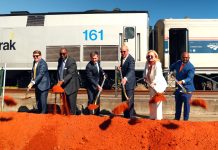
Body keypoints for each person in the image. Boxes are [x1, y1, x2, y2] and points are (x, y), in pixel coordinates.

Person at [170, 52, 195, 121]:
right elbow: (171, 67)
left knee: (186, 106)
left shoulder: (191, 67)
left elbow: (190, 77)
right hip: (178, 89)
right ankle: (176, 119)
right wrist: (172, 72)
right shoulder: (178, 63)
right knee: (178, 104)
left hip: (187, 89)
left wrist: (182, 81)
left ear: (189, 58)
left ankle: (185, 120)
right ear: (181, 57)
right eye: (183, 57)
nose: (185, 59)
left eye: (186, 57)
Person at [143, 50, 167, 120]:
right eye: (148, 56)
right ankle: (152, 116)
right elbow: (144, 72)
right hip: (151, 85)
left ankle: (158, 118)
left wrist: (154, 82)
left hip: (158, 85)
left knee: (157, 101)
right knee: (151, 101)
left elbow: (158, 75)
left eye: (151, 56)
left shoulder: (158, 64)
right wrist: (144, 76)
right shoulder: (147, 63)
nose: (150, 57)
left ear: (155, 56)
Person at [57, 48, 80, 115]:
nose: (62, 55)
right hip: (64, 85)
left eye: (63, 54)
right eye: (60, 54)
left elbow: (70, 74)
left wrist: (62, 81)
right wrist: (59, 80)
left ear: (67, 53)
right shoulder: (60, 60)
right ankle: (67, 118)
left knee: (71, 104)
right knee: (65, 103)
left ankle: (72, 117)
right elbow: (59, 71)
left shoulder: (71, 61)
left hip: (71, 86)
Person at [119, 44, 136, 118]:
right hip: (123, 82)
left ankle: (130, 116)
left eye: (124, 51)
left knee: (129, 100)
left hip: (129, 82)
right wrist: (120, 68)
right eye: (121, 51)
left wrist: (125, 78)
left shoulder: (131, 59)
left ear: (127, 51)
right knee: (124, 99)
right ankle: (125, 116)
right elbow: (123, 67)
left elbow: (131, 70)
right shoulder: (122, 58)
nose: (122, 53)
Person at [85, 51, 105, 115]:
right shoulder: (89, 66)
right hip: (91, 86)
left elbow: (99, 69)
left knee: (97, 99)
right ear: (90, 58)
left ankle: (97, 114)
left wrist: (103, 73)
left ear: (98, 57)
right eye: (92, 58)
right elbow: (90, 78)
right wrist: (97, 85)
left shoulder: (98, 62)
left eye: (95, 58)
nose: (94, 60)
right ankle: (91, 114)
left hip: (97, 84)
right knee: (91, 100)